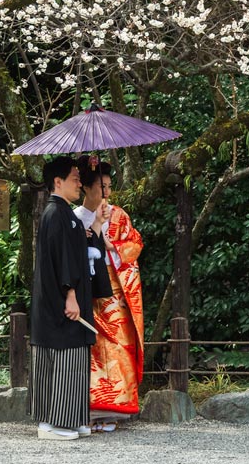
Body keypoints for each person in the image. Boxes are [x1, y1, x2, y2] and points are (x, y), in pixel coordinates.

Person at [29, 156, 110, 440]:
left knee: (73, 360)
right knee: (62, 359)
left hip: (66, 301)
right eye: (75, 178)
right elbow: (63, 259)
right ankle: (52, 424)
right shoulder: (56, 213)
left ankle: (71, 420)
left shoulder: (64, 214)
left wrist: (97, 224)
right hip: (61, 303)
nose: (79, 183)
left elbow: (78, 249)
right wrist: (71, 295)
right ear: (58, 181)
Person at [75, 155, 145, 433]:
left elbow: (135, 245)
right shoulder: (76, 217)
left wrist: (111, 243)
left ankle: (115, 412)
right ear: (87, 188)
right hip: (88, 292)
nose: (107, 192)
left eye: (109, 186)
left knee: (118, 350)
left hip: (116, 294)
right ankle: (90, 410)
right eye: (101, 186)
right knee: (90, 352)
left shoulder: (119, 215)